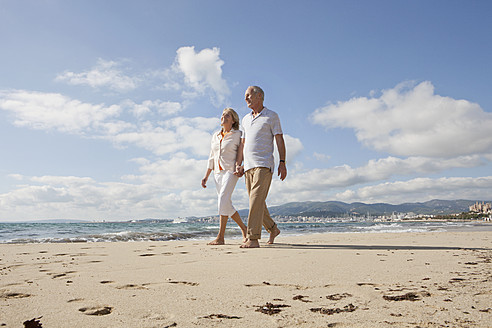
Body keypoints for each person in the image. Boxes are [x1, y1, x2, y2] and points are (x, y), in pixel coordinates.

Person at [236, 86, 287, 248]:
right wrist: (239, 163)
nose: (246, 99)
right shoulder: (245, 119)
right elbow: (243, 144)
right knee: (256, 202)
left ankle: (253, 238)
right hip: (248, 167)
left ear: (259, 96)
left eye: (248, 96)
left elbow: (279, 139)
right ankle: (273, 229)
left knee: (256, 199)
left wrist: (282, 162)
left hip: (264, 164)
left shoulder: (272, 116)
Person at [202, 108, 247, 245]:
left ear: (233, 120)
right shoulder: (215, 135)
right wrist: (206, 176)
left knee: (222, 199)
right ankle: (245, 229)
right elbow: (212, 157)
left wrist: (239, 166)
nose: (224, 117)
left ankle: (221, 237)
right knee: (226, 203)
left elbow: (241, 153)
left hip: (230, 171)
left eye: (227, 115)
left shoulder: (238, 134)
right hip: (217, 173)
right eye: (223, 115)